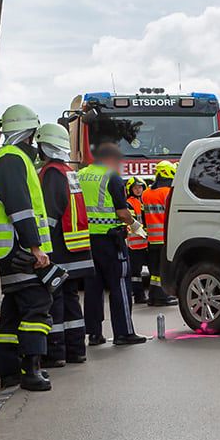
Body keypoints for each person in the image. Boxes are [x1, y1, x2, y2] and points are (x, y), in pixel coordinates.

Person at [0, 105, 53, 392]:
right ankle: (31, 370)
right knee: (37, 306)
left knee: (12, 311)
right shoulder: (13, 159)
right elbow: (20, 208)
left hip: (11, 249)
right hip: (20, 249)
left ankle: (10, 372)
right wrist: (35, 246)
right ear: (27, 133)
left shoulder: (7, 159)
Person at [35, 122, 92, 366]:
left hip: (58, 247)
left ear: (44, 147)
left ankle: (55, 352)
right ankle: (76, 350)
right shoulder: (68, 171)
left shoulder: (51, 173)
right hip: (76, 247)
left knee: (55, 300)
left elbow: (49, 214)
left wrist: (38, 243)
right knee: (71, 300)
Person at [79, 142, 146, 346]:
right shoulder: (111, 177)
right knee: (120, 285)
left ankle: (94, 334)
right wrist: (136, 226)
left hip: (86, 241)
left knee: (93, 288)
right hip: (111, 240)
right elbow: (122, 212)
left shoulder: (80, 175)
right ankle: (123, 332)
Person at [141, 159, 176, 306]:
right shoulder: (167, 193)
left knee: (154, 271)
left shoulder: (146, 193)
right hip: (164, 238)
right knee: (163, 270)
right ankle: (162, 297)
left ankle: (153, 297)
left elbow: (143, 216)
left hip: (151, 239)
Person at [125, 176, 151, 302]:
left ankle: (153, 295)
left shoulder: (144, 200)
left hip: (146, 243)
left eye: (140, 187)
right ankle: (139, 296)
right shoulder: (129, 203)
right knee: (136, 273)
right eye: (135, 188)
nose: (138, 190)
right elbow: (131, 222)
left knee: (153, 270)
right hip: (135, 244)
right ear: (130, 190)